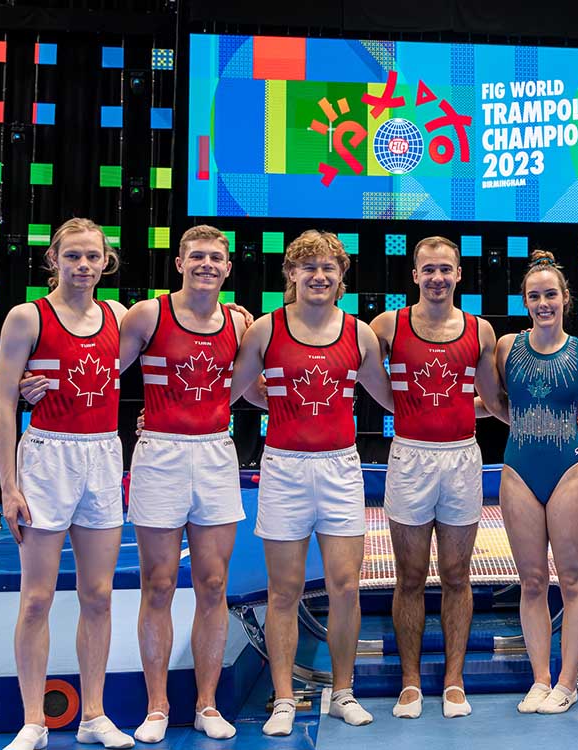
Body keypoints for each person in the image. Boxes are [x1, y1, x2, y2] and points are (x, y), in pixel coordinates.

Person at [230, 230, 392, 735]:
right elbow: (227, 392)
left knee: (345, 587)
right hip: (284, 468)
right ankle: (283, 699)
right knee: (284, 590)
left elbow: (395, 400)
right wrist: (158, 417)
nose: (319, 276)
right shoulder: (265, 329)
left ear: (341, 278)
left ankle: (343, 692)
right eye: (309, 267)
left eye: (328, 268)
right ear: (292, 274)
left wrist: (466, 409)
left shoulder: (360, 334)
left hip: (340, 468)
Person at [0, 219, 134, 750]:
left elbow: (177, 324)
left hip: (102, 456)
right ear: (53, 259)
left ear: (106, 261)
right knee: (36, 598)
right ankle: (33, 721)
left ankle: (93, 714)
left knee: (98, 595)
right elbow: (3, 405)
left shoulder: (119, 315)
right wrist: (8, 487)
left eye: (92, 256)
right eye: (72, 255)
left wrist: (236, 316)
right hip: (47, 457)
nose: (83, 265)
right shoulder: (27, 317)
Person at [111, 225, 247, 741]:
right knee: (160, 583)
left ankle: (207, 705)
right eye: (197, 256)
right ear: (180, 263)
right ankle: (157, 707)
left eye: (215, 257)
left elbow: (256, 387)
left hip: (214, 453)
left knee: (213, 584)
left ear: (228, 268)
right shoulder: (149, 314)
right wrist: (33, 384)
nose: (206, 264)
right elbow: (100, 369)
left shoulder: (240, 323)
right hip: (160, 455)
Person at [369, 236, 502, 719]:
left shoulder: (480, 330)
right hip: (410, 458)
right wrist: (405, 406)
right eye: (428, 269)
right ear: (415, 275)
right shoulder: (388, 325)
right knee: (408, 577)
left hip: (461, 458)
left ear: (459, 274)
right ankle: (409, 682)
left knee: (456, 575)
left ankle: (453, 681)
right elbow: (349, 361)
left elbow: (492, 400)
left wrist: (539, 420)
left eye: (446, 269)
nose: (437, 277)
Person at [490, 250, 578, 715]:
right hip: (519, 470)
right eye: (535, 296)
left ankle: (567, 682)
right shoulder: (506, 348)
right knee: (532, 581)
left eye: (551, 295)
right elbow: (494, 402)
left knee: (573, 580)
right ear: (525, 301)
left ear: (565, 299)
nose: (543, 304)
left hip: (569, 470)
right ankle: (540, 679)